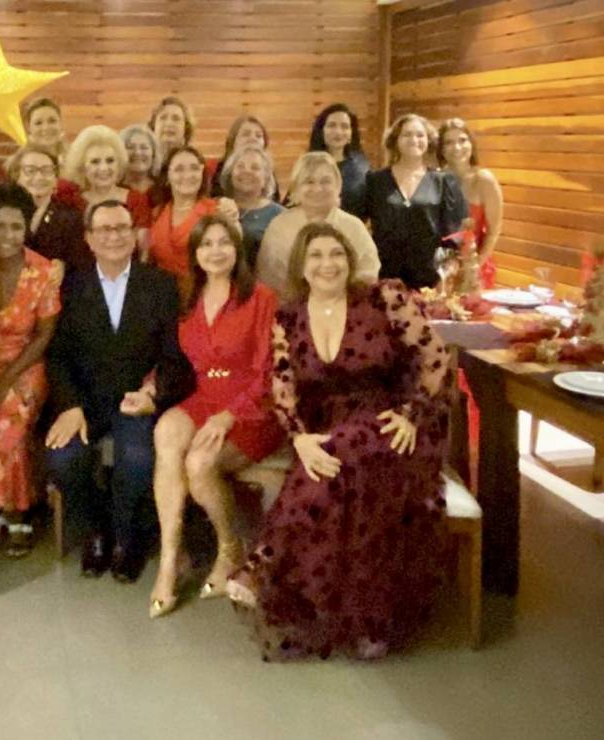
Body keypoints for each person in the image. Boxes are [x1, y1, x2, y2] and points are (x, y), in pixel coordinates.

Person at [227, 221, 450, 661]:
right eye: (316, 256)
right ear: (301, 267)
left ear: (350, 260)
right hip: (328, 430)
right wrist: (299, 440)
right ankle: (367, 622)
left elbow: (435, 356)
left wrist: (413, 413)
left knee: (333, 455)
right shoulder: (289, 318)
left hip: (390, 423)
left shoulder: (384, 298)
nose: (327, 264)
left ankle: (263, 563)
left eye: (336, 254)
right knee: (333, 472)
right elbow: (282, 388)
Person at [46, 200, 194, 584]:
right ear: (89, 239)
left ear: (134, 236)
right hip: (84, 402)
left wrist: (153, 394)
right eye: (104, 229)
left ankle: (127, 537)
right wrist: (70, 405)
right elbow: (56, 355)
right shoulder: (70, 286)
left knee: (138, 459)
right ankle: (97, 530)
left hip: (135, 400)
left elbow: (175, 355)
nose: (114, 236)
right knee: (63, 459)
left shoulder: (160, 285)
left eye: (121, 228)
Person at [149, 216, 284, 619]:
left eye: (224, 242)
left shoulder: (260, 297)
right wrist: (149, 388)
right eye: (206, 244)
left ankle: (229, 549)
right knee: (166, 432)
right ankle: (169, 561)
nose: (216, 251)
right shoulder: (188, 296)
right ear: (195, 254)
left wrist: (228, 416)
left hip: (253, 406)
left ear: (237, 249)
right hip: (205, 397)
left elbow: (269, 372)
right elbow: (174, 360)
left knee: (199, 463)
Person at [0, 184, 62, 557]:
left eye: (16, 227)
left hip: (25, 363)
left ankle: (17, 509)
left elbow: (44, 335)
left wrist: (4, 380)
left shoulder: (43, 272)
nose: (8, 235)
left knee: (11, 422)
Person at [362, 113, 467, 290]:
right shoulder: (375, 180)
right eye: (407, 135)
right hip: (384, 279)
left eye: (420, 135)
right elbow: (359, 225)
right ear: (395, 140)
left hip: (430, 281)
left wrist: (445, 276)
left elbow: (454, 237)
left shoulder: (444, 182)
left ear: (429, 141)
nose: (414, 140)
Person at [257, 151, 380, 300]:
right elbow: (269, 278)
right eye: (309, 181)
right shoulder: (279, 227)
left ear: (338, 186)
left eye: (325, 181)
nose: (318, 188)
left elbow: (368, 273)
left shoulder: (354, 226)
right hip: (291, 307)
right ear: (296, 187)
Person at [149, 145, 239, 291]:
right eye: (179, 169)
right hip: (160, 294)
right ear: (167, 177)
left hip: (202, 294)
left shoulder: (217, 211)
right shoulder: (156, 213)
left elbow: (233, 262)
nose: (188, 175)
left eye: (194, 168)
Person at [437, 118, 503, 289]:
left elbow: (494, 232)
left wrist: (474, 267)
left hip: (475, 268)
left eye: (462, 140)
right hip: (440, 270)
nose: (457, 147)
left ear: (471, 143)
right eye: (449, 142)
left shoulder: (484, 180)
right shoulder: (436, 180)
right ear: (441, 149)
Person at [6, 143, 90, 272]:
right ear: (17, 176)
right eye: (30, 171)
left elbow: (81, 264)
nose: (39, 177)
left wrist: (63, 266)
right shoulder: (3, 214)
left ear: (56, 178)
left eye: (46, 170)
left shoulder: (71, 218)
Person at [62, 125, 154, 231]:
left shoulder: (136, 201)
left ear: (119, 164)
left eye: (110, 160)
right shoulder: (74, 203)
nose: (104, 168)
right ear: (82, 167)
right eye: (95, 162)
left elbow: (143, 240)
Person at [218, 142, 285, 271]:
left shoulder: (280, 215)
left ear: (266, 177)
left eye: (255, 168)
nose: (247, 172)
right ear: (230, 173)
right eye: (240, 166)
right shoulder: (217, 207)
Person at [307, 103, 370, 219]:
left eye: (345, 126)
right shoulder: (307, 165)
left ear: (351, 133)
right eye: (331, 125)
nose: (338, 132)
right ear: (321, 131)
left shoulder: (362, 169)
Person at [208, 115, 281, 202]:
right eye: (246, 134)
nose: (253, 139)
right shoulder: (216, 169)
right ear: (233, 140)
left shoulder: (269, 171)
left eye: (258, 136)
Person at [148, 96, 194, 163]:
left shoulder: (195, 164)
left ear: (185, 130)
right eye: (163, 118)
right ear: (153, 127)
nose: (169, 123)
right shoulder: (142, 165)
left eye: (176, 119)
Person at [119, 124, 161, 196]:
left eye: (144, 147)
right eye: (130, 147)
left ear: (153, 154)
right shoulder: (112, 188)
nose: (138, 152)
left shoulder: (163, 189)